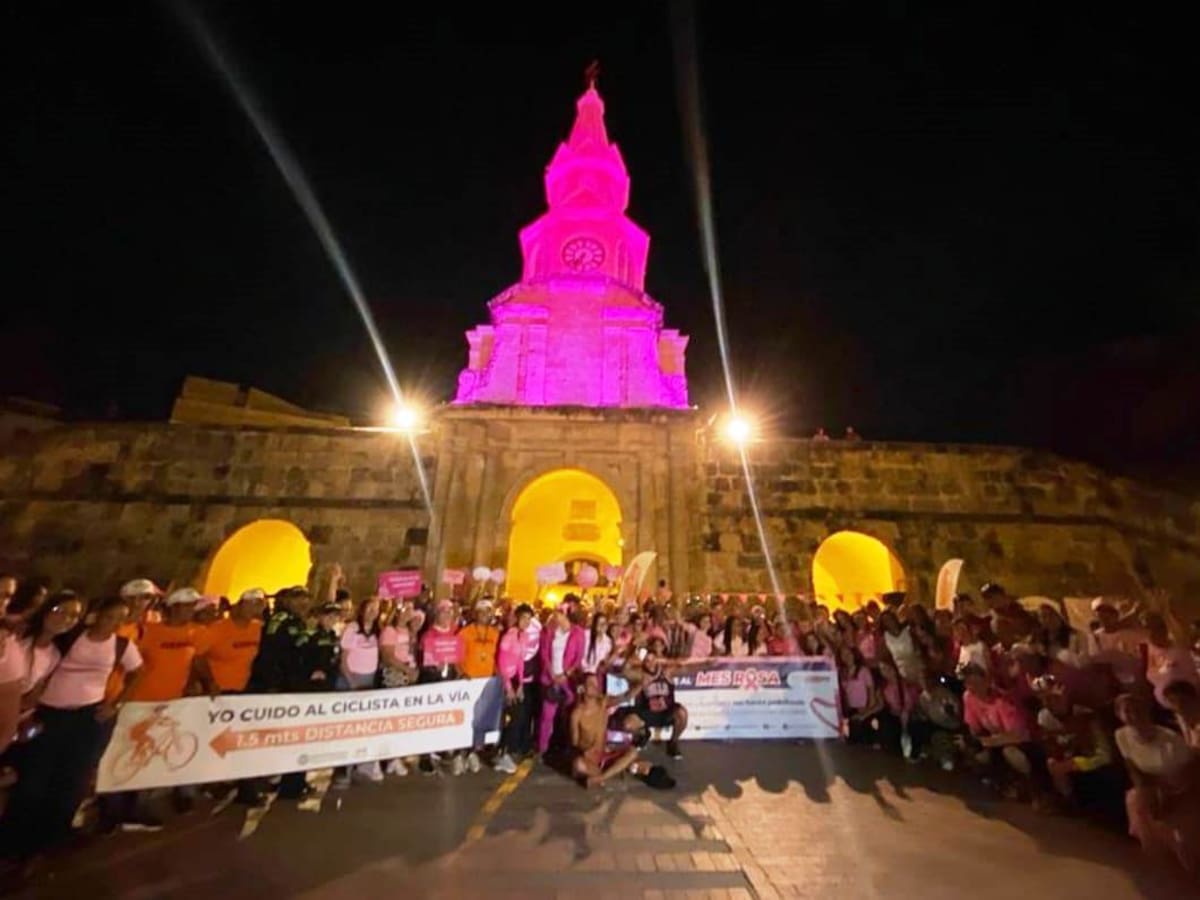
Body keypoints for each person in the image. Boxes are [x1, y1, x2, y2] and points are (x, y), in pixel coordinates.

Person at [0, 596, 142, 867]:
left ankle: (45, 845)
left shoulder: (122, 645)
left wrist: (116, 703)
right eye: (111, 616)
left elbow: (138, 672)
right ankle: (11, 842)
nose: (115, 623)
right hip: (49, 716)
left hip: (88, 719)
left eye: (122, 619)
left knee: (71, 783)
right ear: (97, 614)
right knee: (33, 780)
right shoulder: (70, 637)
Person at [194, 588, 266, 806]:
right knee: (215, 741)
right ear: (240, 605)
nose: (256, 608)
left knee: (244, 741)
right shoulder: (218, 629)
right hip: (219, 694)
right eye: (252, 603)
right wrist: (209, 682)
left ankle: (245, 788)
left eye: (260, 604)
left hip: (244, 692)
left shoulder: (258, 629)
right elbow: (197, 656)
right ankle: (209, 783)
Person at [1114, 692, 1200, 873]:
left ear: (1147, 712)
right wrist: (1147, 792)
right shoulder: (1121, 736)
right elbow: (1132, 768)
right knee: (1137, 803)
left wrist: (1167, 797)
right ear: (1119, 715)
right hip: (1152, 787)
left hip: (1182, 790)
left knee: (1183, 837)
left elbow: (1189, 775)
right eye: (1127, 711)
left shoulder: (1170, 741)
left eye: (1137, 710)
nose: (1133, 715)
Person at [247, 586, 315, 801]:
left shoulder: (295, 620)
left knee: (295, 736)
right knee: (285, 736)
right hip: (284, 686)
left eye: (305, 598)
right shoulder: (283, 621)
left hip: (294, 685)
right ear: (287, 601)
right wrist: (275, 683)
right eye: (298, 599)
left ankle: (293, 782)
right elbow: (276, 654)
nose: (303, 603)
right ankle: (283, 783)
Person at [959, 663, 1050, 805]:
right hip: (998, 739)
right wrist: (973, 741)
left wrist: (986, 742)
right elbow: (974, 728)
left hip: (1026, 741)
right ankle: (1001, 782)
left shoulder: (1003, 700)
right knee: (975, 751)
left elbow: (1019, 735)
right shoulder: (969, 697)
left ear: (987, 681)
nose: (974, 688)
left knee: (1011, 752)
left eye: (977, 683)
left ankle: (1036, 788)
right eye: (969, 684)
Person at [570, 672, 660, 788]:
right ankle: (607, 773)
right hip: (589, 758)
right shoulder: (577, 714)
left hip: (604, 753)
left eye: (596, 684)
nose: (596, 687)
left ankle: (601, 778)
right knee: (578, 764)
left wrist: (641, 684)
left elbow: (626, 697)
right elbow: (574, 742)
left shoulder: (603, 702)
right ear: (582, 689)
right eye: (591, 684)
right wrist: (586, 746)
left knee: (633, 752)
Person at [334, 595, 383, 788]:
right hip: (352, 681)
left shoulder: (377, 631)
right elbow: (343, 659)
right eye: (370, 608)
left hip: (369, 681)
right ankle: (342, 770)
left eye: (376, 609)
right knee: (347, 728)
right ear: (362, 610)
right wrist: (351, 681)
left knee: (363, 727)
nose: (373, 612)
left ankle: (360, 765)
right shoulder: (352, 629)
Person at [621, 636, 689, 759]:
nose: (650, 663)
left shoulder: (666, 672)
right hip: (646, 712)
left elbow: (685, 669)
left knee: (682, 713)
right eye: (647, 660)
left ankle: (673, 742)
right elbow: (624, 671)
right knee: (627, 724)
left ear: (657, 660)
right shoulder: (641, 674)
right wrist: (633, 651)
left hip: (666, 711)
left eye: (653, 660)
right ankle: (643, 733)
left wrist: (706, 665)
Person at [418, 600, 466, 774]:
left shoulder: (456, 633)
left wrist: (460, 672)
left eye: (449, 612)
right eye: (443, 612)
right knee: (430, 718)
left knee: (446, 717)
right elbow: (425, 658)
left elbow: (458, 656)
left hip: (450, 679)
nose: (446, 615)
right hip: (432, 680)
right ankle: (426, 756)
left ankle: (443, 750)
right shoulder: (428, 635)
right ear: (436, 614)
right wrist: (433, 664)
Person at [537, 600, 586, 756]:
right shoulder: (549, 631)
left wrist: (567, 674)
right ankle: (542, 746)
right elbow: (544, 654)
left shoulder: (578, 633)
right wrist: (552, 673)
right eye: (556, 613)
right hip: (550, 677)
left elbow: (579, 657)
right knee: (547, 714)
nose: (556, 617)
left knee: (567, 714)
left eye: (559, 614)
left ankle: (565, 745)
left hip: (568, 679)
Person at [458, 599, 501, 773]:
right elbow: (457, 656)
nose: (485, 615)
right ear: (476, 613)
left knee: (482, 718)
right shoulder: (465, 632)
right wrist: (461, 673)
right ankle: (463, 752)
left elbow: (498, 657)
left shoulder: (495, 633)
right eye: (482, 611)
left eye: (488, 611)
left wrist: (498, 674)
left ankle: (475, 752)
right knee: (467, 718)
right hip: (470, 681)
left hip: (488, 682)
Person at [494, 604, 534, 773]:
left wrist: (521, 685)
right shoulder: (509, 636)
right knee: (512, 717)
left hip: (516, 681)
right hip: (505, 680)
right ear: (517, 617)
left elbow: (520, 662)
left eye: (529, 619)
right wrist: (509, 686)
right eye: (524, 618)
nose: (526, 622)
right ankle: (503, 753)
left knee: (517, 716)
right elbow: (501, 662)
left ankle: (503, 751)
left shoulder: (524, 636)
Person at [1086, 598, 1148, 690]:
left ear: (1115, 614)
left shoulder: (1131, 634)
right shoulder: (1094, 638)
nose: (1104, 616)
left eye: (1108, 612)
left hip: (1137, 681)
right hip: (1112, 686)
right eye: (1100, 613)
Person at [582, 610, 613, 674]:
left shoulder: (608, 641)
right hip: (584, 672)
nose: (602, 626)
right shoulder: (585, 635)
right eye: (600, 624)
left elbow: (604, 660)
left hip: (597, 674)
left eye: (604, 623)